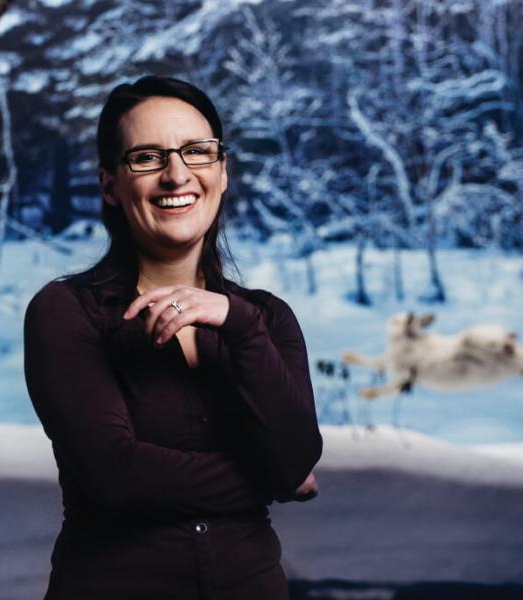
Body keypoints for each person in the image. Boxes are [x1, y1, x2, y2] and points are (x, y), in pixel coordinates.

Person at [24, 75, 323, 599]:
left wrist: (237, 323)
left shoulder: (266, 320)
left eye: (196, 151)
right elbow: (115, 477)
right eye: (146, 157)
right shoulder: (67, 313)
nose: (177, 174)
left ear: (223, 172)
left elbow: (296, 453)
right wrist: (271, 479)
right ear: (110, 185)